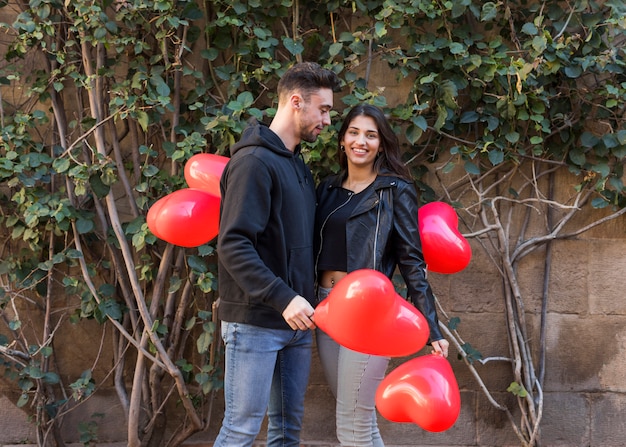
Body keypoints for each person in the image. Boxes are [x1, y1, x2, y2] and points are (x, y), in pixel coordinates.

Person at [214, 62, 341, 447]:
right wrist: (284, 298)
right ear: (297, 102)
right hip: (255, 323)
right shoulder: (253, 163)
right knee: (240, 430)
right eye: (324, 109)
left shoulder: (296, 164)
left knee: (287, 433)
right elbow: (233, 244)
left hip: (296, 325)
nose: (328, 120)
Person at [313, 103, 450, 447]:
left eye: (371, 135)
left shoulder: (394, 190)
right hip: (326, 308)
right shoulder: (326, 189)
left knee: (350, 424)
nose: (361, 141)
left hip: (369, 313)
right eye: (354, 132)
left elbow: (411, 260)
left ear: (381, 143)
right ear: (342, 140)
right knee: (359, 416)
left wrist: (431, 325)